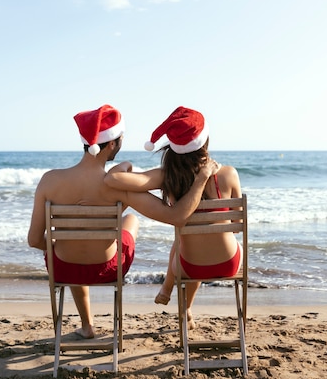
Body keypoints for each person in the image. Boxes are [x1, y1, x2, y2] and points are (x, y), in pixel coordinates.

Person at [28, 104, 220, 339]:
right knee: (130, 220)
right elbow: (175, 216)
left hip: (63, 268)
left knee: (71, 245)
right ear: (111, 144)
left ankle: (87, 326)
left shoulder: (49, 181)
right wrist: (127, 166)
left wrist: (62, 245)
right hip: (107, 269)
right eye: (120, 138)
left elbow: (34, 239)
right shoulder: (119, 189)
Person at [104, 106, 243, 329]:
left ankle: (177, 300)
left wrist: (126, 165)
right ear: (204, 140)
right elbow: (237, 227)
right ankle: (183, 307)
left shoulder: (168, 177)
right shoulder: (228, 174)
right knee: (197, 241)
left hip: (188, 266)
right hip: (228, 264)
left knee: (183, 242)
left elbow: (112, 180)